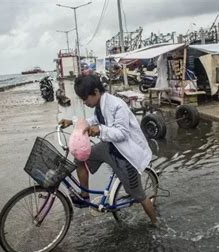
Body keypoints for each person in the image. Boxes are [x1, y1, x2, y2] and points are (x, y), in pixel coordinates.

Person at [58, 75, 157, 224]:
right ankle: (85, 195)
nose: (85, 103)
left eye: (85, 99)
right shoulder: (99, 104)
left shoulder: (117, 105)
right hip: (110, 147)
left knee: (139, 196)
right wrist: (72, 122)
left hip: (125, 155)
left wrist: (100, 130)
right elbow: (94, 120)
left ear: (96, 92)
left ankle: (156, 223)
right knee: (79, 158)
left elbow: (122, 133)